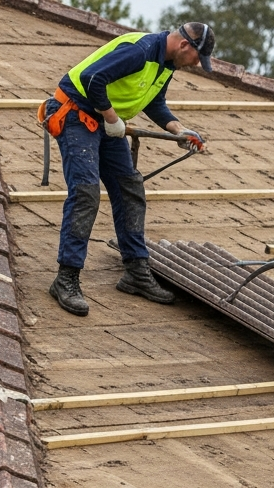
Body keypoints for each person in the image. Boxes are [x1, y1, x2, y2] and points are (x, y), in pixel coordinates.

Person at [42, 22, 215, 317]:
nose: (197, 65)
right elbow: (92, 78)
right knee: (86, 193)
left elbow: (155, 103)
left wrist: (179, 130)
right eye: (198, 58)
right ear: (186, 45)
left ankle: (135, 271)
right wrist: (111, 118)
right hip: (75, 114)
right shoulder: (141, 50)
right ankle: (66, 278)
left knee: (129, 188)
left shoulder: (166, 63)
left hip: (106, 123)